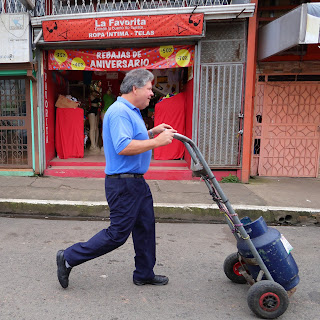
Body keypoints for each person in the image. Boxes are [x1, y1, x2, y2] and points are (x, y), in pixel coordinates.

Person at [56, 68, 176, 289]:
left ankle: (144, 273)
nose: (152, 93)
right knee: (117, 235)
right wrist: (158, 142)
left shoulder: (131, 110)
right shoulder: (120, 111)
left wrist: (151, 133)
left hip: (135, 181)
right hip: (123, 183)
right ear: (135, 88)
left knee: (145, 228)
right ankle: (69, 257)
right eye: (149, 88)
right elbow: (123, 146)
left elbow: (131, 138)